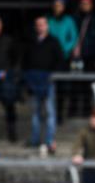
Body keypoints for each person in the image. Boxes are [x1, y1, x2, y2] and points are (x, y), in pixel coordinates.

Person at [23, 16, 64, 154]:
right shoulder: (30, 42)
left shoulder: (54, 41)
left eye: (43, 24)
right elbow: (26, 61)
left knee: (50, 113)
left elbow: (60, 60)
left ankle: (49, 141)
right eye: (38, 24)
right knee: (35, 113)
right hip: (34, 83)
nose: (40, 27)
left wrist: (51, 76)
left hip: (48, 82)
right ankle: (35, 140)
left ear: (47, 26)